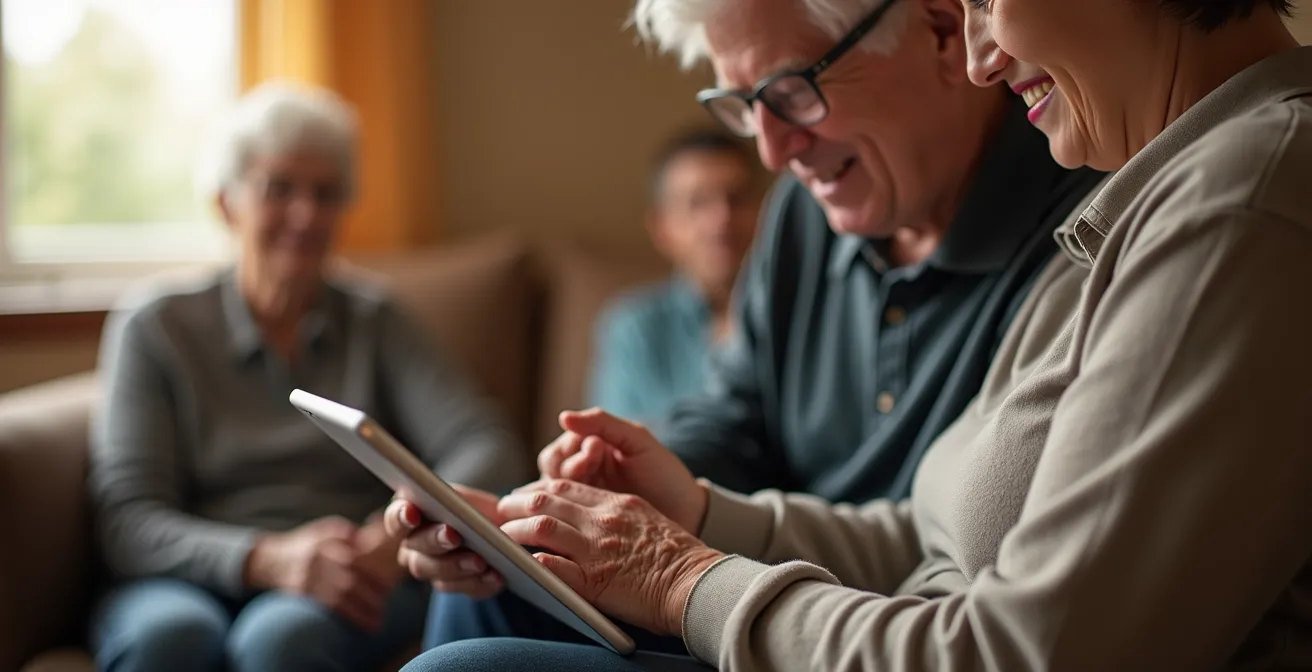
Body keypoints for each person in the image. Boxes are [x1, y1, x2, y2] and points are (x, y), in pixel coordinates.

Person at [398, 0, 1312, 667]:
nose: (987, 56)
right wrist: (670, 509)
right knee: (490, 609)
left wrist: (679, 575)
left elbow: (1028, 642)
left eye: (791, 89)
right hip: (826, 612)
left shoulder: (1228, 203)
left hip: (849, 632)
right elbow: (928, 528)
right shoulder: (1148, 195)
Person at [86, 82, 530, 672]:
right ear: (227, 203)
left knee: (281, 639)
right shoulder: (155, 327)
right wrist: (265, 558)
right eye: (279, 189)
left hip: (348, 572)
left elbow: (487, 445)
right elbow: (128, 520)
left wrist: (393, 537)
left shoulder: (377, 321)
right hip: (187, 575)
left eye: (326, 194)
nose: (305, 214)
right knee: (169, 638)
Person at [587, 128, 763, 426]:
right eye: (697, 203)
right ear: (662, 228)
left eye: (736, 199)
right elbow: (618, 441)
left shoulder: (799, 313)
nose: (721, 218)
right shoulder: (634, 327)